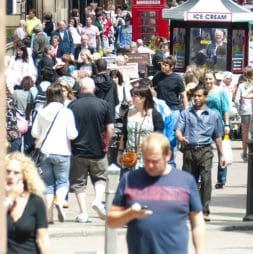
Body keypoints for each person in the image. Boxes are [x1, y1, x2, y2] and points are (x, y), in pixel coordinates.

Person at [107, 133, 207, 254]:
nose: (150, 165)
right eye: (146, 160)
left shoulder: (185, 181)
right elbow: (111, 221)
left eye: (155, 161)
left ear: (168, 156)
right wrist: (130, 214)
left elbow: (198, 223)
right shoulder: (130, 179)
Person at [175, 85, 226, 222]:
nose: (196, 98)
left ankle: (204, 210)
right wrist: (180, 137)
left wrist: (222, 155)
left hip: (205, 151)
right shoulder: (186, 113)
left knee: (206, 180)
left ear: (206, 98)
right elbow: (178, 129)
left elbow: (217, 136)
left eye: (199, 96)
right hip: (189, 151)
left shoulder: (213, 115)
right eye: (194, 96)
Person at [68, 76, 115, 223]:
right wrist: (107, 142)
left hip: (78, 150)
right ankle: (97, 200)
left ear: (80, 89)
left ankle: (83, 213)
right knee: (101, 177)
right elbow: (110, 127)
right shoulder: (103, 104)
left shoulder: (72, 105)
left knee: (79, 183)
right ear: (93, 88)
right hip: (98, 149)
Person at [31, 83, 78, 224]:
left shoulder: (41, 111)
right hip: (63, 151)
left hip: (45, 151)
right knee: (63, 181)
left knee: (48, 184)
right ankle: (60, 200)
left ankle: (48, 216)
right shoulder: (66, 112)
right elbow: (72, 134)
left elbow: (34, 132)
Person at [5, 152, 50, 254]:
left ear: (25, 175)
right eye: (8, 171)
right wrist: (9, 198)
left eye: (16, 173)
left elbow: (43, 239)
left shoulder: (35, 201)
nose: (11, 176)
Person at [118, 86, 165, 171]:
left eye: (134, 96)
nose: (131, 98)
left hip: (147, 158)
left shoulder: (155, 115)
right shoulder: (128, 113)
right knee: (127, 183)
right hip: (129, 157)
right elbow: (124, 134)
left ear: (143, 98)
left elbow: (159, 138)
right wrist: (120, 152)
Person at [152, 56, 186, 163]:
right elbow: (152, 89)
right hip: (160, 109)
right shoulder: (157, 76)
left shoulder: (177, 78)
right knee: (159, 134)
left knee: (171, 136)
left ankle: (171, 162)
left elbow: (183, 96)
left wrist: (186, 112)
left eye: (166, 65)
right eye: (162, 64)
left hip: (173, 110)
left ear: (172, 67)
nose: (163, 66)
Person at [233, 67, 253, 162]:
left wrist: (239, 110)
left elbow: (236, 100)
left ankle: (245, 152)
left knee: (245, 133)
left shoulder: (241, 85)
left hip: (245, 111)